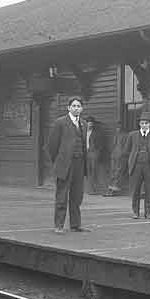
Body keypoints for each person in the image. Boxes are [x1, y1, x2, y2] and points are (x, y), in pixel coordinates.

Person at [44, 96, 89, 233]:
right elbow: (52, 146)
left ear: (82, 108)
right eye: (74, 106)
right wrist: (59, 161)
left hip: (79, 163)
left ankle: (75, 225)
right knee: (62, 196)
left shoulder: (84, 124)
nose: (76, 108)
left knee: (77, 195)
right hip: (64, 164)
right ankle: (59, 225)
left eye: (78, 106)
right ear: (68, 107)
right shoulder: (60, 123)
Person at [127, 112, 150, 219]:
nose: (144, 125)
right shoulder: (132, 135)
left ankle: (148, 212)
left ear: (149, 124)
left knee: (149, 190)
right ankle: (135, 212)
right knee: (135, 190)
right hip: (136, 166)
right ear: (139, 124)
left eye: (146, 123)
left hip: (149, 166)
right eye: (142, 123)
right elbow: (127, 149)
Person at [104, 120, 129, 196]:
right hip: (114, 155)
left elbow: (126, 146)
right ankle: (110, 188)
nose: (118, 129)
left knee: (118, 172)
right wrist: (112, 154)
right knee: (113, 171)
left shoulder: (125, 135)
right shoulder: (115, 135)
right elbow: (113, 145)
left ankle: (114, 189)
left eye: (119, 127)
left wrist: (123, 154)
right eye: (117, 127)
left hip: (121, 156)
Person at [83, 116, 107, 195]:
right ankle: (90, 189)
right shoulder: (83, 132)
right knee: (88, 171)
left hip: (94, 153)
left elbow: (101, 144)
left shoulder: (97, 132)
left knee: (95, 171)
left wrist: (98, 152)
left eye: (91, 123)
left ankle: (97, 189)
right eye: (88, 123)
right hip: (85, 153)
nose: (89, 125)